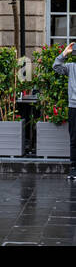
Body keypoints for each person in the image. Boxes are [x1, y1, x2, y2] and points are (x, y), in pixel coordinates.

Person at [53, 43, 76, 178]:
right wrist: (64, 54)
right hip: (74, 107)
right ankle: (73, 168)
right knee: (74, 139)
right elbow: (56, 66)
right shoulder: (71, 67)